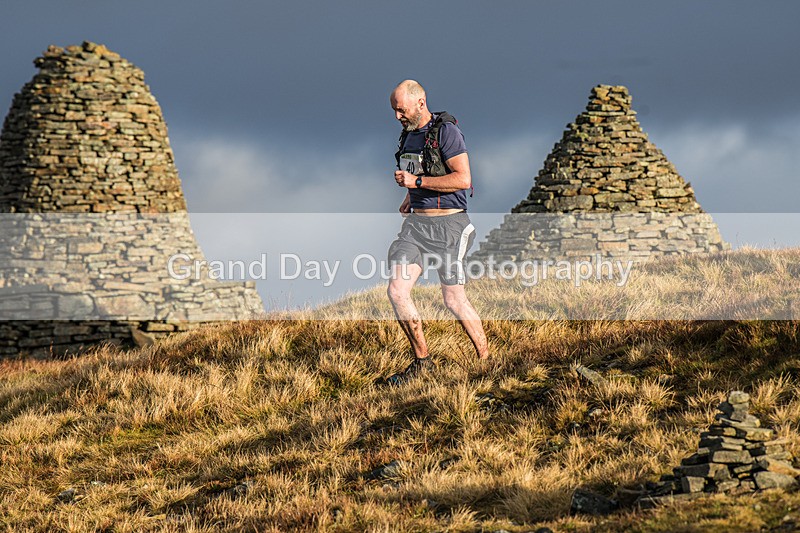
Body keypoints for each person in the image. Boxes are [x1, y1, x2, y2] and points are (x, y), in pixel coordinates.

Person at [385, 80, 489, 385]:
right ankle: (422, 362)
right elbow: (421, 173)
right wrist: (409, 196)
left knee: (453, 300)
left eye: (400, 110)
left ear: (420, 102)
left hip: (451, 228)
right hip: (416, 227)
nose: (397, 116)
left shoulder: (447, 132)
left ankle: (486, 360)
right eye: (394, 110)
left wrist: (416, 184)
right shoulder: (407, 136)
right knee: (396, 291)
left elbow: (463, 179)